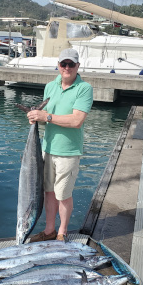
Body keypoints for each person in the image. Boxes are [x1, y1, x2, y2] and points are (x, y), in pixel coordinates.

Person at [27, 48, 93, 242]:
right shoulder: (50, 86)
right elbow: (46, 116)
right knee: (48, 192)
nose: (67, 68)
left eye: (71, 64)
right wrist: (34, 117)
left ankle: (62, 232)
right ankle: (49, 230)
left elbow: (76, 120)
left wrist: (45, 116)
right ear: (58, 66)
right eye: (63, 64)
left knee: (63, 194)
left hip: (68, 152)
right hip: (47, 149)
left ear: (77, 66)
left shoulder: (84, 88)